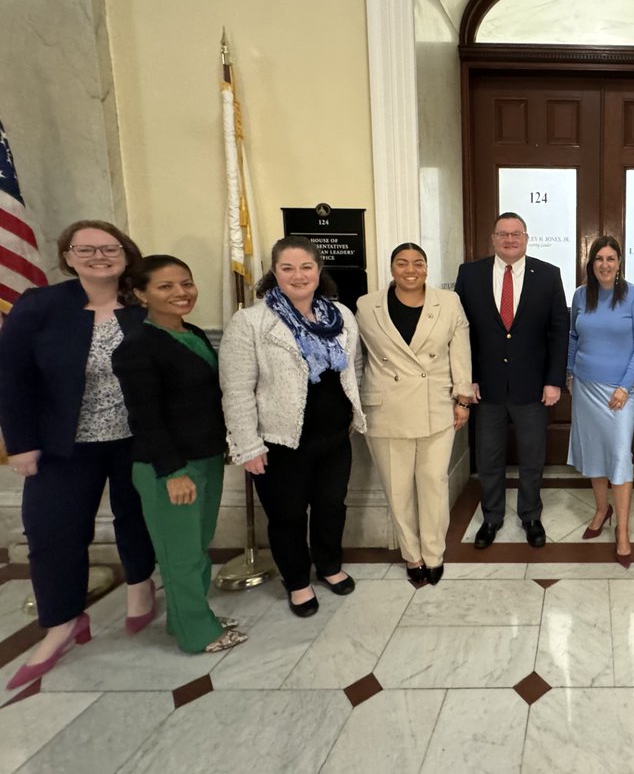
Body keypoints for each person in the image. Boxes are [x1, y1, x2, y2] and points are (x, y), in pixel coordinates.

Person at [1, 221, 156, 689]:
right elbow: (11, 377)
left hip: (136, 440)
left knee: (138, 517)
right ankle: (62, 622)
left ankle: (140, 585)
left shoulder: (144, 305)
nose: (98, 256)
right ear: (67, 256)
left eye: (109, 248)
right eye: (84, 249)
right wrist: (20, 443)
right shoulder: (40, 306)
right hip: (62, 446)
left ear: (127, 255)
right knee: (51, 531)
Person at [219, 236, 366, 617]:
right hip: (280, 441)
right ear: (275, 272)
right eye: (287, 268)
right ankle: (298, 582)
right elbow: (235, 390)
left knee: (331, 506)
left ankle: (329, 567)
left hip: (334, 437)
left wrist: (352, 412)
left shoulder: (341, 315)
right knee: (287, 516)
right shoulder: (251, 321)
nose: (298, 275)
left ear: (319, 271)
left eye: (306, 267)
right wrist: (248, 446)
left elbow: (355, 367)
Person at [112, 256, 248, 653]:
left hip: (204, 456)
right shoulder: (137, 347)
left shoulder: (193, 335)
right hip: (169, 467)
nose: (181, 293)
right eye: (165, 286)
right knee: (180, 555)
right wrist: (172, 472)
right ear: (140, 294)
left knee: (196, 544)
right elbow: (145, 417)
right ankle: (197, 634)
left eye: (185, 283)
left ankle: (186, 617)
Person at [357, 242, 472, 586]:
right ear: (391, 268)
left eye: (418, 263)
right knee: (397, 490)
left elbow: (460, 348)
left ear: (427, 267)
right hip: (386, 409)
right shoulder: (366, 306)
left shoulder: (448, 302)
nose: (411, 270)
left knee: (433, 485)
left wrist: (463, 398)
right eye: (402, 263)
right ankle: (412, 555)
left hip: (435, 406)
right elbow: (356, 358)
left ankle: (434, 553)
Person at [454, 212, 569, 550]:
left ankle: (531, 516)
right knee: (489, 458)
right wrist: (467, 379)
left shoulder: (548, 275)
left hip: (532, 387)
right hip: (485, 388)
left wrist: (554, 381)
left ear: (526, 237)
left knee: (532, 458)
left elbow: (559, 330)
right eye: (502, 234)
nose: (509, 239)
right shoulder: (470, 274)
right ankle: (491, 517)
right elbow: (460, 331)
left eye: (515, 234)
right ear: (493, 238)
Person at [566, 236, 634, 567]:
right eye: (598, 258)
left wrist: (624, 385)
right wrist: (570, 374)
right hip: (585, 387)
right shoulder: (579, 295)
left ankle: (624, 532)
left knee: (618, 455)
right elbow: (573, 337)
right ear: (591, 263)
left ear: (619, 263)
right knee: (594, 452)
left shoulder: (633, 296)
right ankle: (602, 510)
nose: (604, 264)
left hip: (620, 391)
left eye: (610, 258)